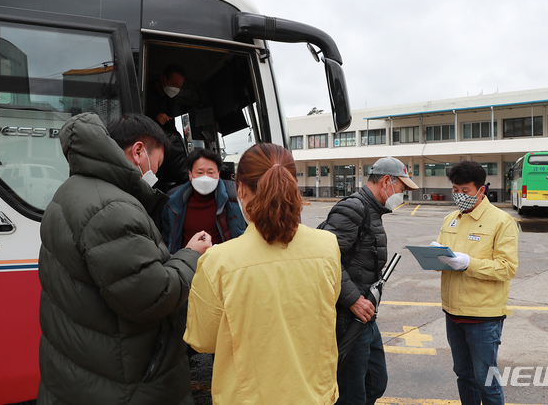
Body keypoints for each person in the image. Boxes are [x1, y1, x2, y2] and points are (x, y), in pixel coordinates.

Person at [37, 112, 211, 405]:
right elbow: (152, 296)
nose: (157, 170)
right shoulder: (112, 208)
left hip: (88, 372)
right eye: (158, 161)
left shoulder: (71, 191)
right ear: (139, 151)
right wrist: (191, 255)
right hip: (124, 382)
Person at [184, 143, 342, 404]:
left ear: (241, 190)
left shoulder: (218, 261)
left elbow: (202, 340)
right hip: (316, 395)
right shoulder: (327, 245)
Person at [319, 156, 419, 405]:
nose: (403, 195)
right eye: (402, 188)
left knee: (375, 382)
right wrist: (353, 299)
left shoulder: (373, 210)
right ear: (387, 181)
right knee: (352, 394)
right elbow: (326, 260)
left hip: (365, 314)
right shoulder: (353, 208)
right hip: (348, 315)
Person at [431, 160, 519, 405]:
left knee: (486, 381)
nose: (460, 196)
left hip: (483, 316)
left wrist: (469, 263)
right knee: (463, 376)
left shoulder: (501, 222)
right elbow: (444, 256)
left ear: (481, 190)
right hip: (452, 312)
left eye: (465, 191)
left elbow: (507, 267)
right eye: (455, 190)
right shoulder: (451, 219)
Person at [161, 148, 246, 254]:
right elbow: (168, 240)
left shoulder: (235, 198)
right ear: (190, 175)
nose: (205, 178)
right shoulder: (173, 201)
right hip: (188, 266)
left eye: (210, 172)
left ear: (218, 174)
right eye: (200, 172)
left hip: (224, 263)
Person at [146, 63, 189, 192]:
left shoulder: (170, 98)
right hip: (148, 146)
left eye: (179, 87)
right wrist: (155, 117)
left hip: (163, 150)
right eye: (174, 85)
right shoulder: (146, 91)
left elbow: (171, 126)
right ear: (163, 78)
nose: (176, 89)